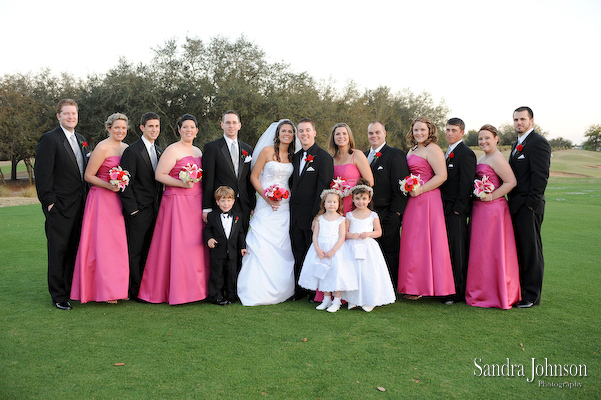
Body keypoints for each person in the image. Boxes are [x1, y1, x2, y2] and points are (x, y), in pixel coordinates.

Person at [138, 114, 209, 305]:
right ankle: (171, 290)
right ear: (179, 130)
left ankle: (195, 290)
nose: (189, 130)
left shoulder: (198, 151)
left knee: (194, 246)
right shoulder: (172, 149)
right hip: (176, 202)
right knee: (177, 245)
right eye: (185, 127)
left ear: (197, 130)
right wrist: (181, 183)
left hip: (195, 202)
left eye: (192, 127)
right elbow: (159, 175)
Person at [34, 99, 89, 310]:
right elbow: (42, 174)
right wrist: (49, 203)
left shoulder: (82, 140)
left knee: (74, 249)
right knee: (58, 251)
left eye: (74, 113)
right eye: (66, 114)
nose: (71, 117)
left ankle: (69, 289)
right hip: (59, 207)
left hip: (80, 206)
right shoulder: (49, 140)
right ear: (58, 116)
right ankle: (58, 296)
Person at [237, 120, 298, 306]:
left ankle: (282, 288)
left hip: (284, 206)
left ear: (293, 135)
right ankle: (256, 289)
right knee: (261, 243)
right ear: (277, 133)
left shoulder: (293, 156)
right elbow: (254, 177)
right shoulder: (267, 151)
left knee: (282, 245)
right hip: (265, 204)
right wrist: (266, 197)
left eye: (290, 131)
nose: (286, 134)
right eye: (283, 131)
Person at [71, 113, 130, 304]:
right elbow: (89, 175)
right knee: (103, 245)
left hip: (118, 200)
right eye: (116, 128)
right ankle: (105, 291)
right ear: (108, 128)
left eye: (123, 128)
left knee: (118, 244)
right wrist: (109, 185)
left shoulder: (127, 148)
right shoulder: (102, 148)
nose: (120, 131)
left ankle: (119, 287)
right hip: (101, 199)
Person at [397, 117, 455, 299]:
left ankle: (428, 286)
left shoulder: (433, 149)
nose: (419, 133)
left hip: (428, 199)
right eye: (416, 130)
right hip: (413, 200)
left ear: (430, 131)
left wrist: (420, 189)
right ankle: (413, 284)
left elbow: (442, 175)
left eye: (422, 130)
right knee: (412, 241)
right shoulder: (412, 149)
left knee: (426, 241)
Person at [465, 125, 520, 309]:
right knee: (481, 251)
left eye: (487, 138)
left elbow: (511, 182)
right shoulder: (482, 157)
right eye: (480, 139)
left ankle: (496, 294)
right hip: (480, 209)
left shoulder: (497, 158)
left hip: (494, 210)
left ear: (496, 138)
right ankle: (481, 291)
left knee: (493, 251)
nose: (483, 142)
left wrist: (491, 196)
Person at [508, 107, 551, 308]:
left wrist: (530, 206)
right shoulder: (516, 144)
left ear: (531, 121)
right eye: (516, 119)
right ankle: (522, 290)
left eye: (522, 119)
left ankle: (532, 296)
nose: (519, 123)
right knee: (521, 250)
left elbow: (540, 177)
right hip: (515, 205)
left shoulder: (538, 143)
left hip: (528, 207)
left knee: (531, 251)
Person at [119, 112, 163, 301]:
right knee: (134, 251)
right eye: (150, 126)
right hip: (138, 211)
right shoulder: (132, 151)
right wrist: (133, 209)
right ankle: (133, 290)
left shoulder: (160, 151)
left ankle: (146, 287)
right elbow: (124, 182)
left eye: (157, 126)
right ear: (142, 128)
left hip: (156, 210)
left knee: (149, 250)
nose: (154, 129)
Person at [290, 118, 334, 300]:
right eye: (300, 131)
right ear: (297, 134)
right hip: (294, 215)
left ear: (314, 132)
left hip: (312, 215)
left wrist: (317, 215)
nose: (304, 134)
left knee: (312, 251)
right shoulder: (295, 157)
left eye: (307, 130)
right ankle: (300, 289)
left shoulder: (323, 158)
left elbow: (323, 189)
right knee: (298, 251)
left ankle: (313, 291)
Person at [365, 121, 409, 289]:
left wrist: (396, 212)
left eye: (377, 132)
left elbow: (400, 185)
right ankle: (373, 286)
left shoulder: (395, 154)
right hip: (368, 213)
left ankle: (390, 287)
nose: (374, 136)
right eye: (371, 133)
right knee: (371, 252)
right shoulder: (364, 155)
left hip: (388, 212)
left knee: (389, 252)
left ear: (384, 133)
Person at [298, 190, 357, 312]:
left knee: (336, 274)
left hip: (336, 250)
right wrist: (317, 249)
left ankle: (336, 301)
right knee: (322, 273)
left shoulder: (341, 219)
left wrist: (333, 250)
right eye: (329, 202)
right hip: (321, 249)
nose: (332, 204)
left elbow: (342, 237)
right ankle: (326, 300)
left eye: (334, 202)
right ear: (324, 204)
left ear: (339, 204)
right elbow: (315, 236)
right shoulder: (319, 219)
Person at [440, 118, 476, 305]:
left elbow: (467, 184)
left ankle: (458, 292)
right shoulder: (446, 152)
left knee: (457, 250)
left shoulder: (466, 153)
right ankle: (446, 287)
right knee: (446, 250)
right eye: (447, 130)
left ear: (462, 132)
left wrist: (458, 210)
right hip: (443, 209)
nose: (450, 133)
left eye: (454, 130)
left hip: (456, 211)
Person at [342, 182, 395, 312]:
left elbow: (379, 232)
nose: (361, 202)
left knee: (368, 273)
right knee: (353, 272)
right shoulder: (349, 215)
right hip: (352, 247)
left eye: (364, 199)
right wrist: (351, 235)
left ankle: (370, 299)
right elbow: (344, 233)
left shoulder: (373, 215)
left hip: (368, 247)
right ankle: (352, 299)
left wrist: (369, 234)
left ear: (369, 199)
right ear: (353, 199)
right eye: (358, 199)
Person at [202, 110, 255, 228]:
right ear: (222, 125)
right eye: (228, 122)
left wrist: (252, 205)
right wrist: (206, 207)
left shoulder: (247, 149)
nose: (231, 126)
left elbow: (248, 179)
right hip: (221, 203)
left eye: (234, 123)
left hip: (243, 205)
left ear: (239, 125)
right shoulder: (212, 147)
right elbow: (208, 179)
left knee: (242, 241)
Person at [204, 186, 248, 305]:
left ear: (233, 201)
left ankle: (231, 296)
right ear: (217, 202)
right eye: (222, 200)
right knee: (217, 276)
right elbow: (207, 230)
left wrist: (242, 247)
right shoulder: (212, 216)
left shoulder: (238, 216)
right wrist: (210, 239)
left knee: (231, 275)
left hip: (233, 252)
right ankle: (216, 296)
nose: (226, 204)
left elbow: (240, 233)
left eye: (229, 200)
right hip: (218, 252)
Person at [329, 122, 373, 212]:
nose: (341, 136)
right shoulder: (331, 158)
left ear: (349, 136)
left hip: (353, 204)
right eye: (337, 134)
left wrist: (352, 191)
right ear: (333, 138)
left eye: (344, 133)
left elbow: (370, 182)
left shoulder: (357, 155)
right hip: (336, 205)